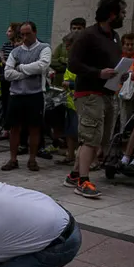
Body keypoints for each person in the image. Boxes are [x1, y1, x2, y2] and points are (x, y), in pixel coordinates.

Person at [63, 0, 126, 198]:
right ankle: (83, 181)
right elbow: (73, 64)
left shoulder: (114, 37)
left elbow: (113, 63)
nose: (124, 16)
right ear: (112, 14)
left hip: (108, 92)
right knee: (91, 137)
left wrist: (120, 73)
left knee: (99, 138)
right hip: (90, 93)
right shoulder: (87, 35)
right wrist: (99, 73)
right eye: (122, 12)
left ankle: (74, 174)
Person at [2, 21, 52, 172]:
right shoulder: (15, 52)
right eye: (22, 34)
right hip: (16, 95)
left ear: (35, 32)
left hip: (35, 94)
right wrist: (28, 73)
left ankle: (32, 159)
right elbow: (7, 73)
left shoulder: (44, 48)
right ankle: (13, 159)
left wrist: (21, 68)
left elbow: (42, 66)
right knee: (14, 128)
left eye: (27, 34)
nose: (25, 37)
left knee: (34, 128)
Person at [58, 32, 80, 166]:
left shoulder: (81, 60)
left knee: (80, 133)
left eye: (68, 46)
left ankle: (81, 159)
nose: (66, 49)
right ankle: (70, 155)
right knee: (69, 131)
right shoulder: (71, 60)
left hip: (81, 103)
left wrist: (71, 84)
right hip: (70, 101)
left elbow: (86, 81)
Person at [51, 18, 87, 86]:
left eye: (79, 28)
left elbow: (84, 67)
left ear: (84, 29)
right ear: (70, 29)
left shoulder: (87, 46)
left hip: (78, 84)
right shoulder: (62, 46)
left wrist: (62, 60)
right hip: (60, 82)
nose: (76, 31)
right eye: (74, 28)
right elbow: (52, 62)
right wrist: (70, 65)